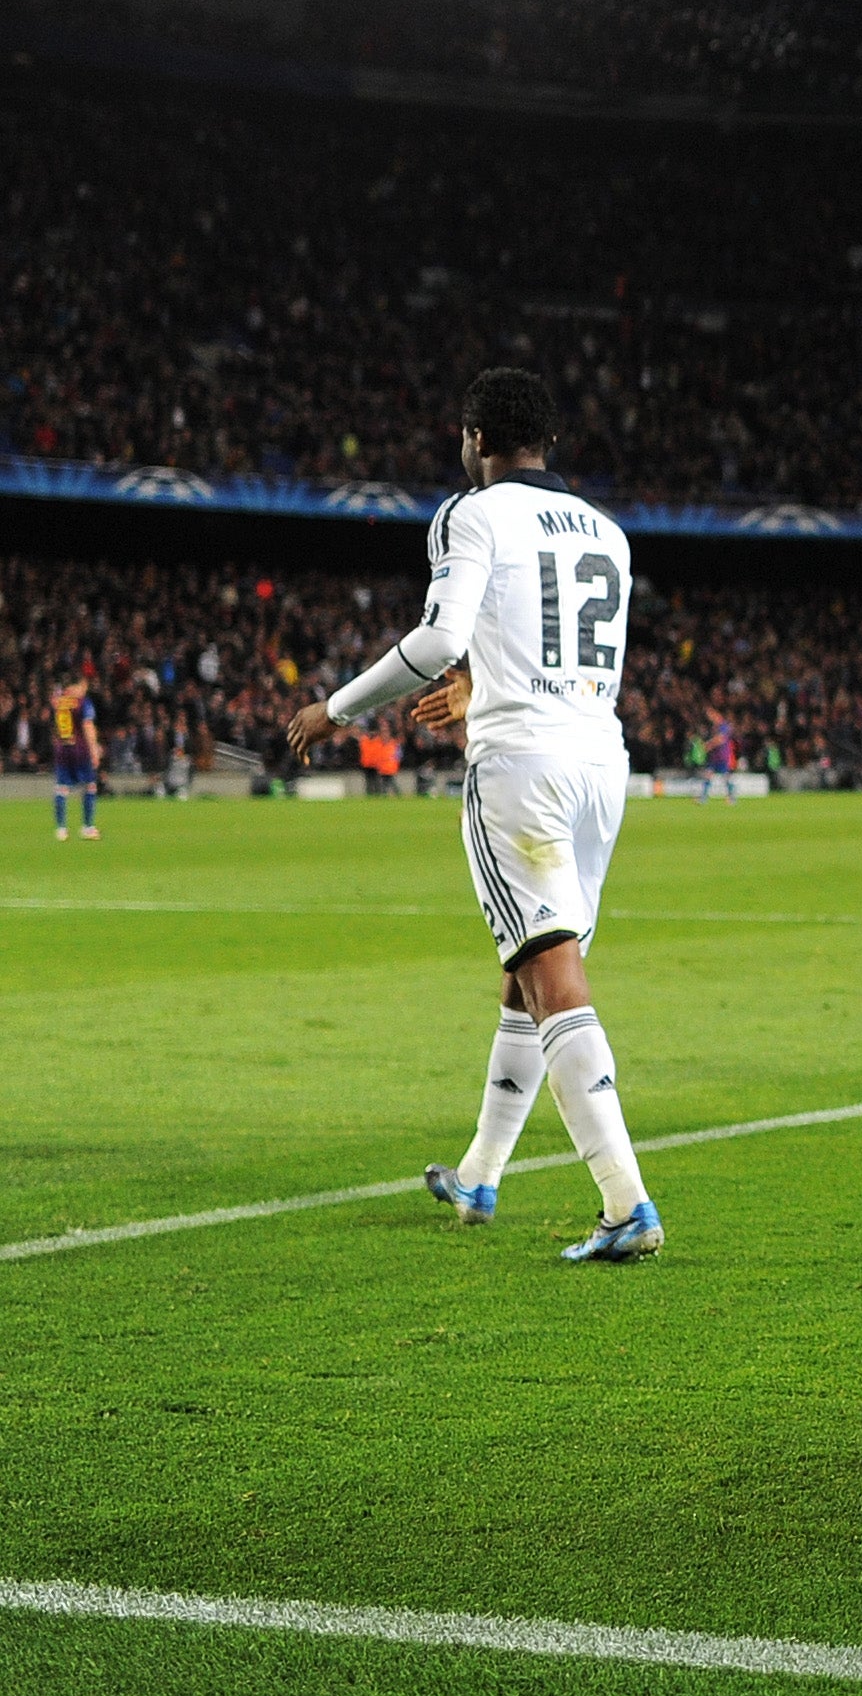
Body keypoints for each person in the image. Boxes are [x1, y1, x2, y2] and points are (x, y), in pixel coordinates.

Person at [283, 366, 664, 1263]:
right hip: (599, 764)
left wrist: (333, 709)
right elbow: (545, 655)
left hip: (523, 768)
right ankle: (481, 1174)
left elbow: (442, 639)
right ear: (551, 440)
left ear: (474, 440)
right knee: (527, 972)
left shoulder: (470, 511)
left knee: (552, 973)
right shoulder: (610, 533)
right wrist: (482, 695)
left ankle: (626, 1203)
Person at [48, 668, 100, 841]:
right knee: (90, 786)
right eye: (83, 685)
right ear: (77, 685)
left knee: (61, 789)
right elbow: (87, 726)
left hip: (62, 750)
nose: (85, 689)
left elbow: (55, 728)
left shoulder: (58, 702)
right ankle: (88, 827)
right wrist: (94, 749)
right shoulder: (82, 702)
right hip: (81, 751)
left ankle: (61, 829)